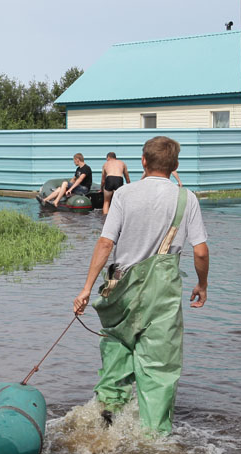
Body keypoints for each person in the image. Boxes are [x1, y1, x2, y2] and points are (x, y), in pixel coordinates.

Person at [72, 136, 209, 436]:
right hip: (163, 296)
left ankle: (105, 427)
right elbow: (200, 251)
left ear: (143, 162)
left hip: (120, 290)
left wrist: (85, 289)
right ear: (174, 166)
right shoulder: (187, 199)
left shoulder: (123, 195)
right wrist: (202, 284)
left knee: (115, 359)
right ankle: (153, 442)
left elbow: (106, 243)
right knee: (159, 372)